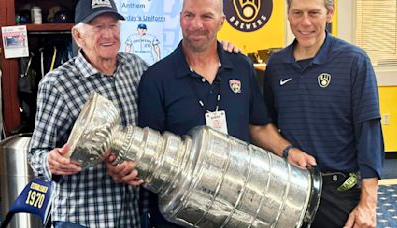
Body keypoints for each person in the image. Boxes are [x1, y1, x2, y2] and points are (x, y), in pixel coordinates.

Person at [136, 0, 317, 227]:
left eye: (206, 17)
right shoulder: (156, 78)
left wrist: (288, 151)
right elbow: (151, 150)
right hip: (180, 215)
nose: (196, 24)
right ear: (180, 17)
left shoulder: (241, 67)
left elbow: (258, 126)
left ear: (222, 21)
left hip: (238, 209)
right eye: (189, 15)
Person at [263, 0, 384, 227]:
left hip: (339, 191)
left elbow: (369, 133)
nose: (304, 22)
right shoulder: (276, 65)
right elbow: (266, 125)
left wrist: (369, 203)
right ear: (288, 15)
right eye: (297, 13)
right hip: (289, 188)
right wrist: (288, 150)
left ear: (329, 13)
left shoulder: (354, 61)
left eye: (313, 13)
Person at [28, 0, 147, 227]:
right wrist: (50, 161)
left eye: (112, 25)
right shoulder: (57, 84)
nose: (108, 35)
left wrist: (222, 53)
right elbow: (36, 153)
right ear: (78, 35)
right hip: (83, 218)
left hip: (132, 215)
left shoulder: (136, 68)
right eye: (97, 27)